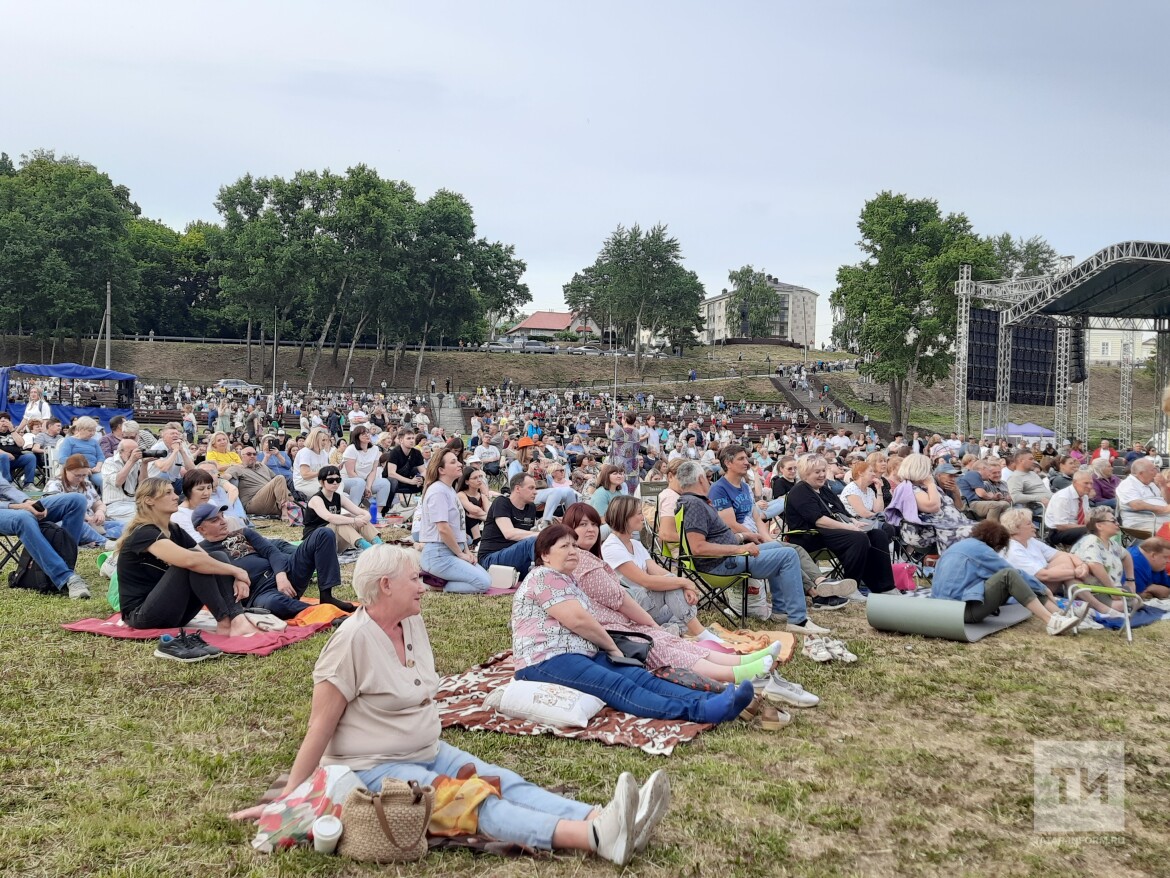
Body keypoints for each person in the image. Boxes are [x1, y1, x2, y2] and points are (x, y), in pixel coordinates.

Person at [228, 545, 670, 867]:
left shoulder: (411, 621)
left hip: (425, 749)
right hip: (373, 767)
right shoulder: (350, 644)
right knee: (473, 803)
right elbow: (320, 728)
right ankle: (595, 836)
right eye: (414, 578)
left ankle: (606, 816)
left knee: (504, 782)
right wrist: (290, 796)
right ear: (386, 586)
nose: (423, 586)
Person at [511, 524, 756, 724]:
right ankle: (701, 711)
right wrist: (612, 648)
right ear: (545, 554)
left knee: (640, 677)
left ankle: (716, 699)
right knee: (619, 685)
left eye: (574, 545)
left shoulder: (568, 579)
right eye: (564, 546)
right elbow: (579, 621)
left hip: (580, 653)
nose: (573, 550)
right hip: (545, 660)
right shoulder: (543, 576)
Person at [568, 502, 794, 691]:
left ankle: (742, 660)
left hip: (630, 614)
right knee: (663, 641)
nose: (591, 529)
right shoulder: (596, 556)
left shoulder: (603, 554)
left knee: (670, 631)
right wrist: (680, 585)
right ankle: (732, 666)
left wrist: (681, 584)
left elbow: (655, 574)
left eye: (594, 524)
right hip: (626, 618)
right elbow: (635, 589)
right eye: (583, 525)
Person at [675, 460, 832, 634]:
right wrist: (739, 549)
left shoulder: (693, 502)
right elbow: (698, 548)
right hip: (722, 564)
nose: (709, 481)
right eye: (707, 477)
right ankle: (798, 620)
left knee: (781, 547)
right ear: (700, 479)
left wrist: (745, 536)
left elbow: (712, 539)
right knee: (787, 555)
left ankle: (781, 611)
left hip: (726, 558)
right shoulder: (694, 504)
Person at [117, 479, 262, 641]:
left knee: (216, 557)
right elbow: (190, 561)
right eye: (168, 493)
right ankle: (225, 621)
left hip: (178, 612)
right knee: (193, 563)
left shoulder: (174, 529)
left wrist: (236, 577)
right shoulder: (143, 533)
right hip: (143, 616)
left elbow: (208, 559)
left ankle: (236, 618)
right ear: (149, 500)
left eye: (173, 492)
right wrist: (238, 571)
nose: (175, 497)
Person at [194, 503, 352, 616]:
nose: (223, 521)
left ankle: (326, 596)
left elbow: (272, 552)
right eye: (214, 520)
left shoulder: (243, 533)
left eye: (222, 516)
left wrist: (281, 575)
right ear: (201, 529)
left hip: (287, 572)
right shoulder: (202, 553)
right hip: (262, 592)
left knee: (323, 533)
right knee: (272, 604)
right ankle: (320, 612)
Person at [930, 520, 1082, 635]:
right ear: (997, 544)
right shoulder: (982, 551)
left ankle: (1059, 614)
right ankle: (1051, 620)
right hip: (962, 612)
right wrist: (1043, 588)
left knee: (1020, 580)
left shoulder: (957, 547)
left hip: (941, 609)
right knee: (1010, 576)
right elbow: (1011, 572)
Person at [784, 455, 897, 595]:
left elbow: (841, 512)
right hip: (810, 535)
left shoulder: (825, 489)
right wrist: (849, 527)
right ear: (805, 473)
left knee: (878, 534)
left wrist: (854, 521)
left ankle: (884, 587)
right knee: (857, 538)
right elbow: (818, 520)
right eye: (817, 472)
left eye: (823, 470)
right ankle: (851, 587)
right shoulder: (800, 491)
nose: (822, 475)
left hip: (832, 532)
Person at [0, 470, 90, 597]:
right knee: (24, 518)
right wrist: (17, 506)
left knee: (77, 500)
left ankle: (66, 566)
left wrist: (27, 501)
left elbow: (5, 488)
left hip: (16, 507)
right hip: (10, 510)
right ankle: (65, 576)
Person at [418, 449, 491, 593]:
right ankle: (434, 585)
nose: (459, 464)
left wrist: (466, 551)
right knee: (483, 584)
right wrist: (460, 554)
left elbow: (459, 527)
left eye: (457, 461)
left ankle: (438, 578)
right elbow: (443, 529)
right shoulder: (438, 491)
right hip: (439, 554)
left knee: (487, 578)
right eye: (453, 462)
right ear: (441, 470)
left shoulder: (449, 489)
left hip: (451, 550)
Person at [886, 453, 974, 553]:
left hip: (950, 525)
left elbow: (959, 508)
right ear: (919, 470)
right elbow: (934, 507)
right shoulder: (908, 488)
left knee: (984, 530)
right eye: (927, 469)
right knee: (978, 534)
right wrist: (931, 483)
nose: (930, 472)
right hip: (927, 531)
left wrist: (956, 492)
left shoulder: (922, 485)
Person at [1001, 507, 1092, 597]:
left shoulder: (1030, 541)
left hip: (1043, 583)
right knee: (1066, 569)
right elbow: (1043, 575)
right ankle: (1093, 601)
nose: (1034, 526)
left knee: (1065, 561)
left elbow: (1063, 555)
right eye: (1029, 524)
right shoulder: (1012, 550)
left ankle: (1090, 601)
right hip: (1028, 591)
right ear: (1015, 528)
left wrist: (1082, 565)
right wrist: (1075, 572)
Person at [43, 453, 120, 546]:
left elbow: (99, 504)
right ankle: (104, 542)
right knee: (80, 526)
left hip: (92, 523)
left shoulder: (86, 484)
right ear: (66, 470)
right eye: (77, 475)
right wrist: (85, 517)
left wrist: (100, 512)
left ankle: (95, 538)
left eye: (84, 475)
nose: (80, 479)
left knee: (124, 525)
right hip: (69, 523)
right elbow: (55, 510)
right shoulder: (55, 484)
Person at [477, 473, 540, 579]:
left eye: (535, 488)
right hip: (490, 558)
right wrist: (540, 534)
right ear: (518, 488)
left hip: (516, 556)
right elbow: (509, 533)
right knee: (532, 541)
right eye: (531, 488)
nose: (535, 492)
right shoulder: (501, 502)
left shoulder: (531, 507)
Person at [304, 465, 380, 552]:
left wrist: (366, 516)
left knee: (358, 518)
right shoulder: (316, 499)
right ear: (321, 482)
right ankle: (368, 549)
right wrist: (354, 520)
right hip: (316, 542)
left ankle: (379, 545)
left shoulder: (339, 497)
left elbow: (359, 511)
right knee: (339, 522)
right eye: (330, 480)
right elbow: (329, 517)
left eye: (338, 480)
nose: (335, 483)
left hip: (333, 541)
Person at [1070, 507, 1136, 593]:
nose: (1117, 524)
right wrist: (1113, 591)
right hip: (1093, 592)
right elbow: (1094, 565)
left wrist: (1130, 580)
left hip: (1112, 590)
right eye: (1113, 521)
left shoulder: (1112, 544)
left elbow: (1126, 555)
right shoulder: (1091, 540)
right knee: (1128, 601)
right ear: (1099, 525)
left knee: (1137, 599)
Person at [226, 445, 292, 517]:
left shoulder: (262, 466)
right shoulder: (236, 468)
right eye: (249, 454)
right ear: (241, 457)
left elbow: (278, 481)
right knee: (279, 478)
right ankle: (285, 512)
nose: (252, 456)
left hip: (271, 499)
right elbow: (225, 477)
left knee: (280, 480)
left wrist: (288, 494)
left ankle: (285, 507)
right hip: (252, 503)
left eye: (254, 454)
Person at [341, 425, 392, 511]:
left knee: (385, 483)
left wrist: (368, 486)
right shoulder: (351, 449)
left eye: (367, 433)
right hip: (348, 480)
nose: (367, 435)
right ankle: (353, 511)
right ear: (357, 437)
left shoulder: (375, 449)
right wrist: (364, 487)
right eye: (363, 434)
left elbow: (373, 470)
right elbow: (351, 473)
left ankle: (377, 512)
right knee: (359, 483)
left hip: (366, 481)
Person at [1116, 458, 1170, 534]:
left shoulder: (1151, 484)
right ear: (1141, 473)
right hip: (1143, 521)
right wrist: (1163, 509)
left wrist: (1163, 485)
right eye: (1152, 470)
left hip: (1161, 519)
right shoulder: (1127, 484)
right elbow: (1136, 505)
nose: (1156, 472)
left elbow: (1168, 501)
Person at [101, 438, 148, 525]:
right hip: (115, 505)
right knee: (142, 517)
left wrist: (144, 464)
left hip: (134, 504)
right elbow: (118, 482)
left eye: (136, 451)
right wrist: (131, 461)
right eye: (131, 452)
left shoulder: (138, 462)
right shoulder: (110, 462)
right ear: (120, 452)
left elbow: (143, 485)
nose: (134, 455)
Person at [1043, 470, 1093, 546]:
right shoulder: (1063, 497)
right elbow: (1061, 526)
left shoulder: (1084, 496)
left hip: (1077, 528)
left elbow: (1086, 516)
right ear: (1074, 482)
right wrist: (1088, 527)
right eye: (1086, 483)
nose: (1089, 486)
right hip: (1058, 532)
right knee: (1091, 530)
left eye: (1091, 483)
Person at [56, 417, 106, 491]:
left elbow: (100, 457)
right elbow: (62, 458)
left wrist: (98, 467)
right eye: (90, 431)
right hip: (77, 471)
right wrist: (83, 468)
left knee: (105, 482)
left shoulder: (94, 442)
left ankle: (104, 498)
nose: (92, 433)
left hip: (94, 470)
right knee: (84, 483)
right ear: (80, 429)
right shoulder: (69, 441)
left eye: (94, 431)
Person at [382, 428, 425, 509]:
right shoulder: (395, 452)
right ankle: (385, 509)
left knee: (427, 479)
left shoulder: (417, 453)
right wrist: (410, 481)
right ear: (401, 440)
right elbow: (391, 473)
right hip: (391, 481)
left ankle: (423, 508)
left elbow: (423, 471)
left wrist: (421, 478)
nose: (412, 441)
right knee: (393, 481)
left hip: (407, 478)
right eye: (408, 438)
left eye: (413, 438)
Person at [0, 412, 38, 488]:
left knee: (30, 457)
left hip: (16, 459)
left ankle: (28, 484)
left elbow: (21, 444)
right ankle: (8, 484)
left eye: (7, 421)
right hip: (2, 459)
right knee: (4, 456)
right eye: (2, 421)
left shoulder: (12, 432)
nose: (5, 423)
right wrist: (6, 454)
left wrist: (12, 430)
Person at [293, 427, 333, 499]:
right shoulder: (305, 452)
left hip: (319, 481)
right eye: (323, 440)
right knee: (329, 491)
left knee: (338, 486)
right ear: (315, 440)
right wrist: (321, 472)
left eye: (327, 440)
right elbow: (305, 475)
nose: (325, 443)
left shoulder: (323, 453)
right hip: (304, 484)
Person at [456, 465, 492, 541]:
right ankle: (477, 538)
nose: (479, 480)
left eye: (480, 477)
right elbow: (474, 510)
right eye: (475, 478)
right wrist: (482, 515)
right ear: (466, 481)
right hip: (463, 532)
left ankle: (481, 538)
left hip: (478, 529)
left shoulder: (482, 496)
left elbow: (490, 516)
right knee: (473, 502)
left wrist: (478, 517)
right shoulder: (461, 495)